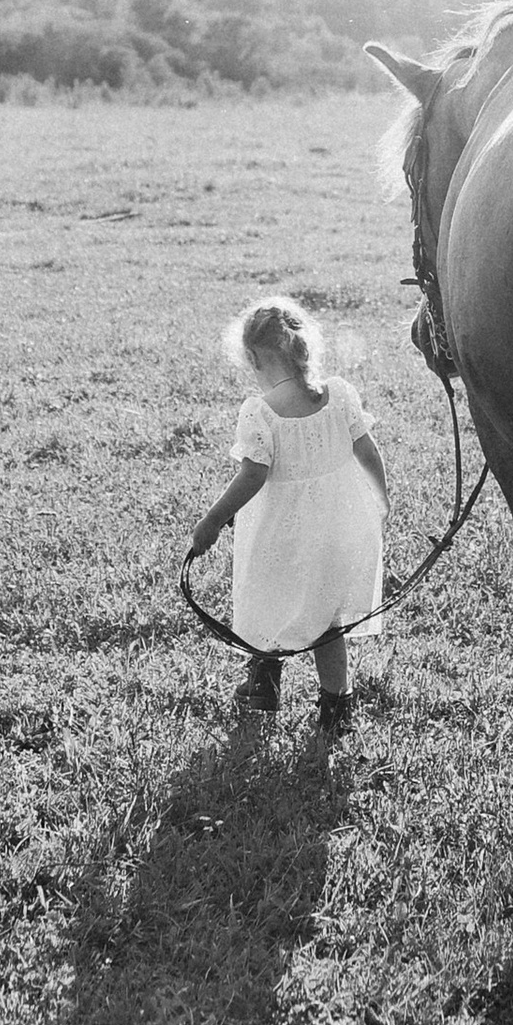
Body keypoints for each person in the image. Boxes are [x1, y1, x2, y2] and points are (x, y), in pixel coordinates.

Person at [188, 295, 388, 728]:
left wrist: (213, 520)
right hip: (334, 530)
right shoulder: (339, 395)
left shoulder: (260, 413)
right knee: (329, 621)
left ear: (255, 359)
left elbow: (253, 475)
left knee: (268, 600)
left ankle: (264, 683)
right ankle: (336, 708)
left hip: (281, 534)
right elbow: (367, 450)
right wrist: (380, 498)